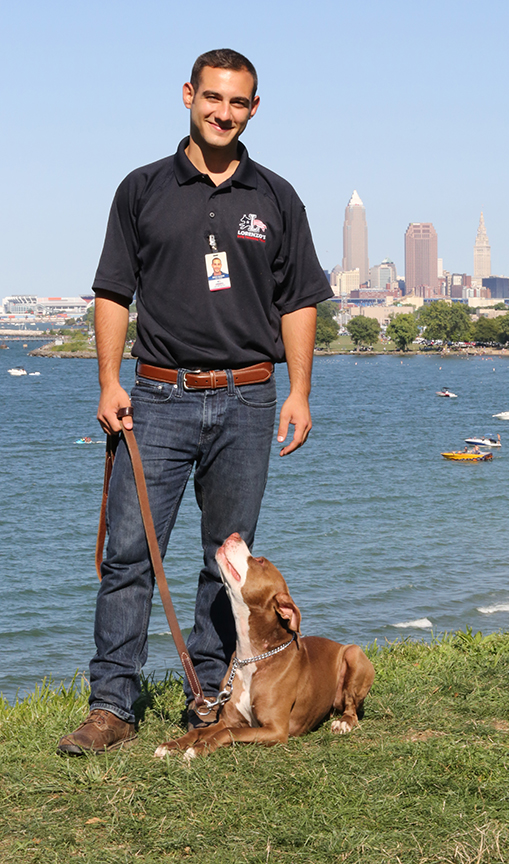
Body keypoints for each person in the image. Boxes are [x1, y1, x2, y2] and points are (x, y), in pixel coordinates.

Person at [57, 48, 333, 755]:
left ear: (254, 109)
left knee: (228, 564)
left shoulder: (275, 197)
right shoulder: (143, 188)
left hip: (248, 400)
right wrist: (108, 382)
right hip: (155, 397)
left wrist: (299, 390)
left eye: (237, 103)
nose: (223, 112)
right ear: (188, 96)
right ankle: (112, 706)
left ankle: (211, 700)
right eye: (212, 98)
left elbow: (299, 300)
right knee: (127, 557)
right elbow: (114, 290)